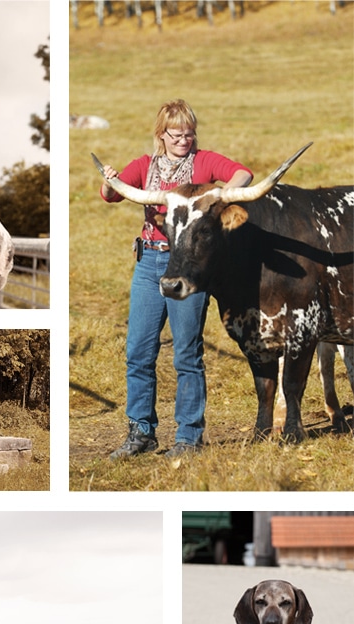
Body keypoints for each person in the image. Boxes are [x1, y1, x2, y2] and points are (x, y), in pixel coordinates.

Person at [100, 99, 253, 459]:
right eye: (176, 134)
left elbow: (242, 173)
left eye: (189, 134)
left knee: (186, 354)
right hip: (149, 263)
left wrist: (217, 194)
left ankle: (188, 438)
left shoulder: (203, 161)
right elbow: (111, 194)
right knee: (138, 352)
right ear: (162, 134)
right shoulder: (144, 166)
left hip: (188, 266)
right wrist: (109, 180)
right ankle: (140, 433)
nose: (184, 140)